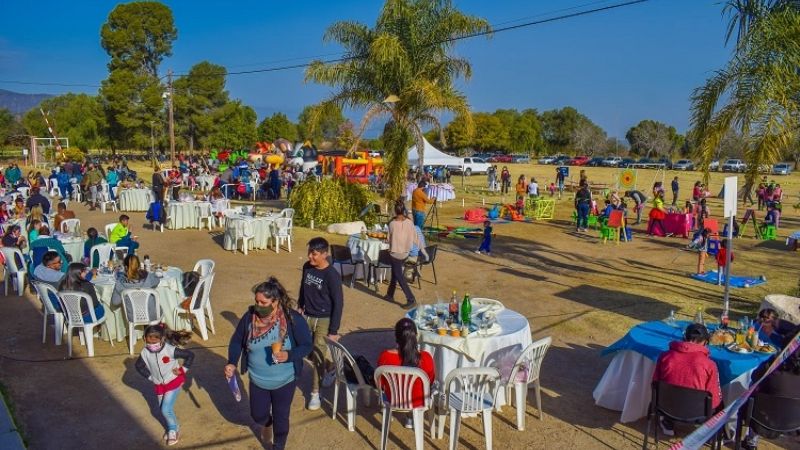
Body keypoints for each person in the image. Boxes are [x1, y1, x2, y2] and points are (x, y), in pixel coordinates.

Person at [226, 278, 312, 448]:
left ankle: (278, 446)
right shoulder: (249, 317)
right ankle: (267, 423)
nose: (258, 306)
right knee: (258, 415)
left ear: (276, 301)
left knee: (282, 416)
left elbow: (307, 345)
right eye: (256, 301)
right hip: (258, 380)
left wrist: (289, 355)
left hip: (285, 380)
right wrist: (232, 362)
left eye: (263, 302)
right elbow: (236, 341)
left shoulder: (292, 319)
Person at [298, 237, 344, 411]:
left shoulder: (332, 275)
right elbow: (303, 287)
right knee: (306, 350)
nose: (310, 256)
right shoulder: (307, 267)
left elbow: (338, 303)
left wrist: (334, 330)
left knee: (317, 354)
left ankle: (315, 393)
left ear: (325, 254)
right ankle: (330, 367)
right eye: (309, 252)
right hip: (307, 316)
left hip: (324, 319)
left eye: (314, 253)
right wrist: (300, 305)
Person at [652, 323, 722, 436]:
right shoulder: (709, 365)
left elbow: (655, 382)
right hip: (697, 413)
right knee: (720, 402)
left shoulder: (665, 356)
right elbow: (714, 399)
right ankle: (717, 433)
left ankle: (667, 422)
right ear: (705, 342)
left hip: (665, 407)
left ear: (684, 338)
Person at [135, 323, 194, 446]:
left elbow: (190, 355)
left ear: (162, 339)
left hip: (173, 381)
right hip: (159, 386)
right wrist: (150, 377)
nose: (152, 345)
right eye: (149, 342)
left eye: (155, 342)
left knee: (165, 409)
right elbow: (139, 366)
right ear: (144, 339)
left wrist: (183, 370)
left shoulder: (170, 350)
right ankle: (175, 426)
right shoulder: (145, 353)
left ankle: (173, 430)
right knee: (164, 408)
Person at [740, 336, 800, 450]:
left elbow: (754, 377)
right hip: (793, 424)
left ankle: (751, 441)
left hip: (762, 420)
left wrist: (771, 362)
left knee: (755, 393)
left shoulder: (773, 371)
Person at [377, 318, 436, 429]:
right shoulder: (426, 357)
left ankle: (408, 417)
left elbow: (381, 384)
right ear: (416, 336)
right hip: (419, 402)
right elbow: (430, 381)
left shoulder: (384, 356)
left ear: (396, 337)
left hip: (393, 399)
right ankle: (410, 417)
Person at [385, 202, 423, 309]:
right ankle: (390, 294)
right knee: (395, 272)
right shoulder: (409, 223)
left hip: (395, 254)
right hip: (406, 252)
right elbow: (415, 237)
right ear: (404, 210)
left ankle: (411, 299)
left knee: (399, 276)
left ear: (395, 211)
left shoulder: (392, 224)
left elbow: (388, 239)